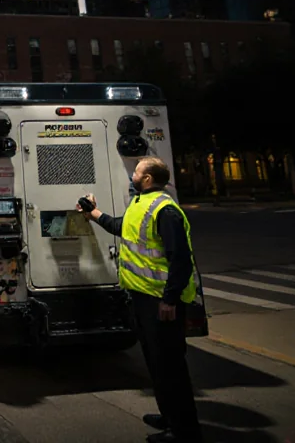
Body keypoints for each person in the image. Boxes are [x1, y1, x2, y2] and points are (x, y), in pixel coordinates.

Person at [79, 156, 202, 443]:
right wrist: (94, 214)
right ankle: (169, 416)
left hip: (162, 302)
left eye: (136, 172)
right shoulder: (140, 205)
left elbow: (181, 261)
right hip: (144, 299)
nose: (132, 175)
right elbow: (121, 227)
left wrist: (170, 300)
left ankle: (184, 432)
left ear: (147, 179)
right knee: (156, 362)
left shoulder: (166, 211)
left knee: (171, 367)